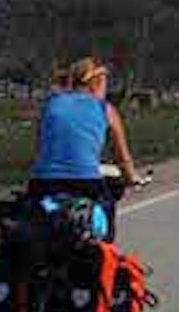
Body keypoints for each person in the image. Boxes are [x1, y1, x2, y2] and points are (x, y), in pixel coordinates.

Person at [28, 56, 141, 241]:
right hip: (85, 184)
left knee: (40, 216)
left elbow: (40, 147)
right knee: (105, 214)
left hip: (42, 184)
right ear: (95, 83)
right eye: (105, 82)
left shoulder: (51, 105)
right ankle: (106, 248)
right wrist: (131, 178)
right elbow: (122, 158)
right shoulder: (106, 109)